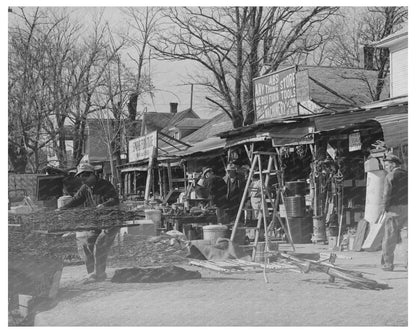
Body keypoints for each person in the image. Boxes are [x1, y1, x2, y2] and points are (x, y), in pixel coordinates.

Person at [58, 163, 120, 283]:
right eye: (81, 177)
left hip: (112, 220)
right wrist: (62, 209)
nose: (83, 179)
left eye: (86, 176)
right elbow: (76, 200)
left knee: (100, 245)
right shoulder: (85, 188)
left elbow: (115, 199)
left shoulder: (105, 185)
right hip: (97, 221)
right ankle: (92, 274)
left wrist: (104, 205)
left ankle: (99, 274)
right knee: (87, 244)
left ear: (93, 174)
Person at [380, 153, 408, 271]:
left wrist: (385, 208)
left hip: (393, 210)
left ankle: (388, 264)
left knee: (389, 237)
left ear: (392, 165)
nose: (386, 168)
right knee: (407, 237)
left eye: (386, 165)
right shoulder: (408, 175)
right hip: (408, 208)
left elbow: (387, 194)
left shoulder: (390, 176)